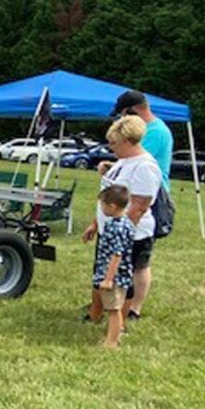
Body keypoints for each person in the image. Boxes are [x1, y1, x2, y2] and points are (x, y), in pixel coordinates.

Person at [83, 115, 160, 324]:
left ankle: (120, 322)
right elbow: (109, 199)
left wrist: (120, 236)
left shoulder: (145, 167)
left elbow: (139, 206)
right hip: (109, 231)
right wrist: (96, 223)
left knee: (123, 280)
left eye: (114, 143)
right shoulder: (123, 161)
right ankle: (95, 312)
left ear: (127, 142)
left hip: (130, 236)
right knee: (100, 273)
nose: (111, 147)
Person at [88, 185, 135, 349]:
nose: (101, 208)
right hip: (118, 274)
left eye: (102, 205)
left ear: (112, 206)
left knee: (113, 309)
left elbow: (117, 254)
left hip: (114, 276)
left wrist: (108, 278)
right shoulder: (126, 223)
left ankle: (112, 342)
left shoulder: (117, 227)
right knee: (115, 307)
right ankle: (117, 334)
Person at [112, 90, 173, 190]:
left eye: (124, 114)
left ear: (132, 110)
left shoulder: (155, 132)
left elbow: (133, 161)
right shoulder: (143, 129)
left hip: (152, 193)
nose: (123, 118)